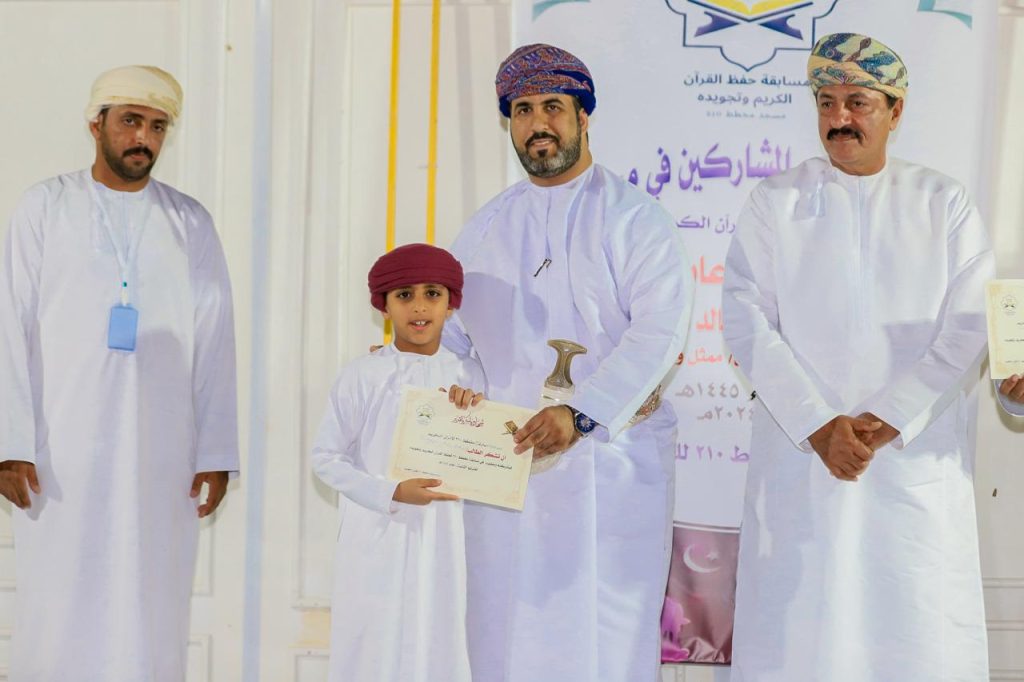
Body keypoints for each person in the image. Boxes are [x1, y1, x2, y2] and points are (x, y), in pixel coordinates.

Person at [722, 33, 994, 681]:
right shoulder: (775, 201)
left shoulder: (943, 202)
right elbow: (745, 318)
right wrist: (818, 425)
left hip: (909, 466)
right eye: (827, 103)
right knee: (800, 635)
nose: (839, 118)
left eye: (858, 103)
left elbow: (968, 326)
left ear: (896, 111)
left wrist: (890, 417)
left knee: (913, 632)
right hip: (802, 461)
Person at [444, 44, 693, 682]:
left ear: (584, 116)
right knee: (506, 636)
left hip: (613, 468)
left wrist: (580, 415)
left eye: (553, 107)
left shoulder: (636, 220)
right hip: (508, 470)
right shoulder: (484, 229)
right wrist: (415, 366)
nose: (538, 124)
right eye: (523, 111)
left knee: (605, 640)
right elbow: (457, 344)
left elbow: (659, 333)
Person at [0, 65, 238, 680]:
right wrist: (10, 443)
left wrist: (215, 450)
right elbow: (9, 324)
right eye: (131, 121)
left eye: (157, 126)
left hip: (161, 452)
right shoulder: (45, 207)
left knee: (151, 598)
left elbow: (215, 337)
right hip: (60, 451)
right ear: (96, 124)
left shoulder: (189, 221)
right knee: (59, 597)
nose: (144, 138)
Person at [312, 243, 486, 682]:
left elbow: (493, 455)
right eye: (404, 295)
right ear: (384, 306)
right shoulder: (363, 374)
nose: (420, 307)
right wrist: (390, 491)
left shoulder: (472, 376)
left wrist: (475, 412)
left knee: (442, 638)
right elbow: (326, 458)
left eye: (433, 294)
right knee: (374, 643)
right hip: (379, 532)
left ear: (451, 304)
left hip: (448, 536)